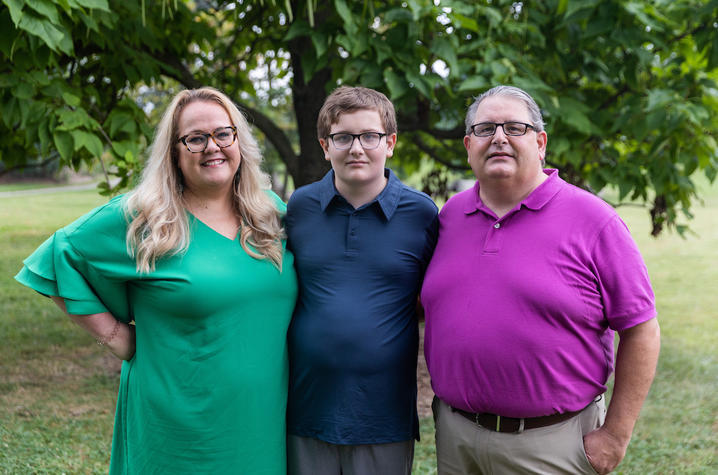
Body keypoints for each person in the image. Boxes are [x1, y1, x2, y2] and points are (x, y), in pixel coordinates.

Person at [15, 87, 298, 474]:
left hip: (263, 423)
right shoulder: (146, 218)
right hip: (177, 424)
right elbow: (57, 256)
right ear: (175, 152)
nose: (212, 147)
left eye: (222, 133)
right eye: (196, 138)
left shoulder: (271, 213)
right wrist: (112, 336)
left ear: (239, 140)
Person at [420, 85, 661, 475]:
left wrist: (615, 436)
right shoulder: (449, 217)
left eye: (515, 127)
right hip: (457, 439)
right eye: (485, 129)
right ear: (468, 146)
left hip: (552, 445)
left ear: (540, 141)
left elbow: (642, 330)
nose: (499, 137)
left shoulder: (594, 221)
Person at [285, 86, 438, 475]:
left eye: (369, 136)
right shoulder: (299, 208)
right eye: (343, 137)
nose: (356, 148)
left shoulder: (421, 214)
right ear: (324, 145)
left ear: (390, 143)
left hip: (383, 416)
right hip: (306, 410)